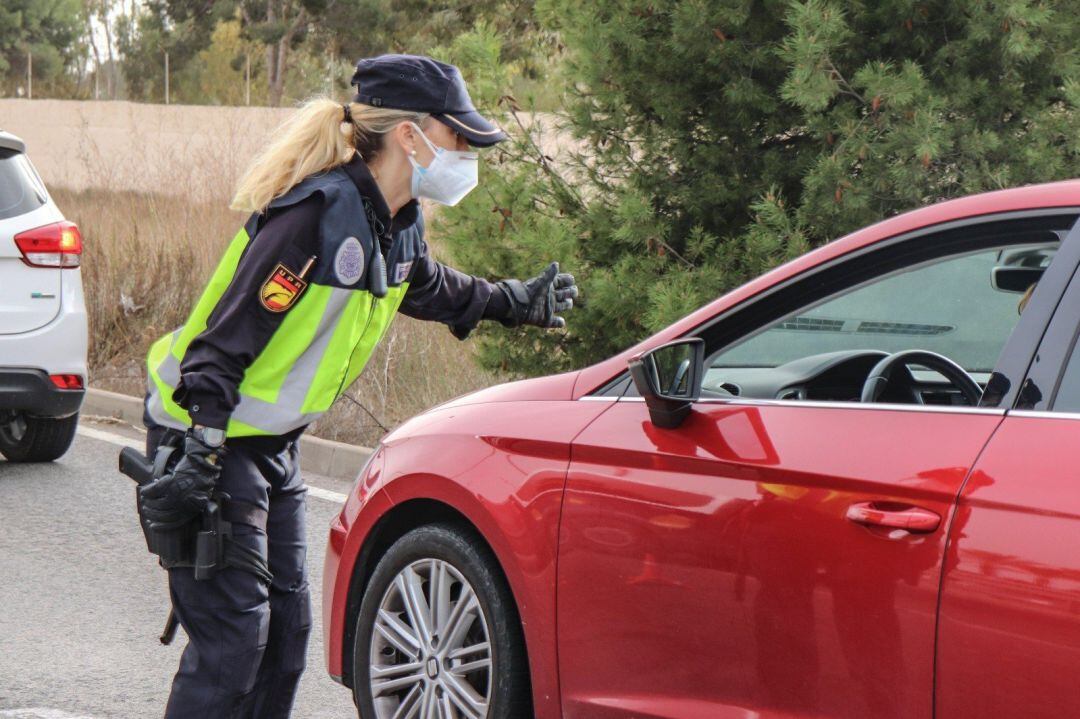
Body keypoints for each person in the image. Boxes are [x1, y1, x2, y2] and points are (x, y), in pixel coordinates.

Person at [136, 54, 578, 718]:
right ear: (411, 135)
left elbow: (426, 285)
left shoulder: (393, 222)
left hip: (267, 446)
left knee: (285, 640)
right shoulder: (311, 218)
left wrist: (514, 301)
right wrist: (200, 452)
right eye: (458, 137)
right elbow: (219, 347)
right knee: (233, 645)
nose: (467, 154)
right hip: (207, 434)